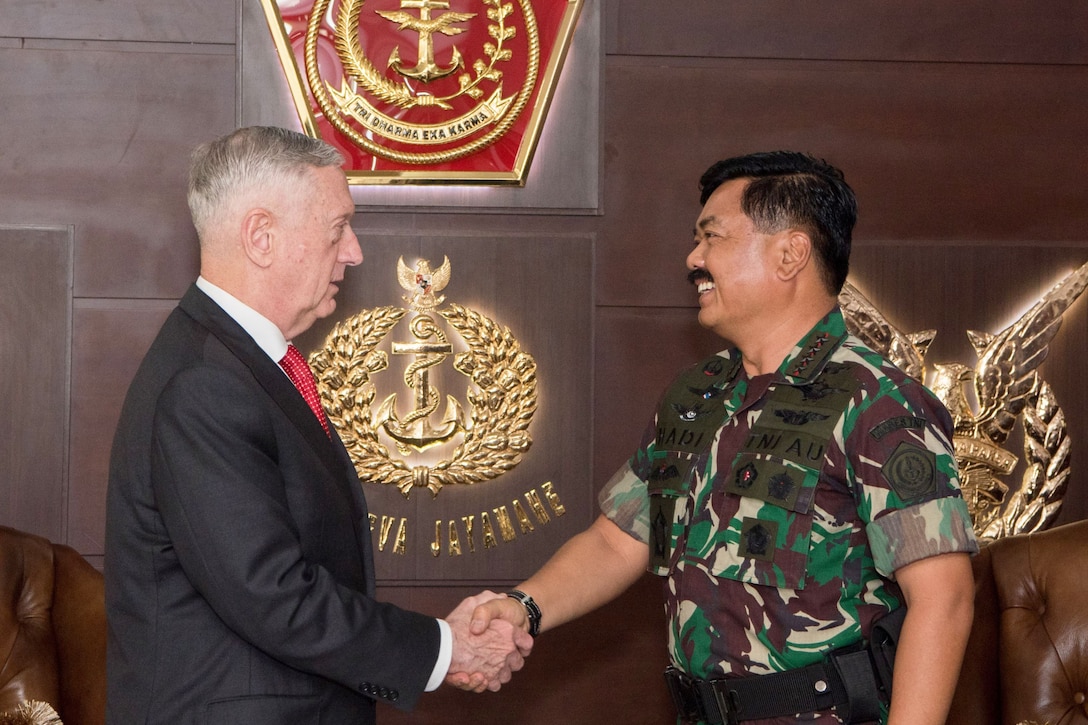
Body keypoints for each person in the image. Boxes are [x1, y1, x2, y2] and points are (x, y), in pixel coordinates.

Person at [457, 151, 978, 724]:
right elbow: (615, 543)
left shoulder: (874, 399)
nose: (694, 259)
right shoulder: (696, 394)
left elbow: (944, 597)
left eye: (713, 238)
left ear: (790, 254)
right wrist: (523, 608)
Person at [104, 125, 530, 724]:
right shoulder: (205, 384)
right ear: (262, 236)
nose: (354, 251)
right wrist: (444, 648)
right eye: (338, 229)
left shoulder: (239, 363)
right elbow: (272, 595)